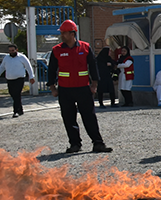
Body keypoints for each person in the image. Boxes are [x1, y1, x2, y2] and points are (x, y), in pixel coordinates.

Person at [46, 20, 112, 153]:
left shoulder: (85, 47)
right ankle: (75, 144)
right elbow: (51, 70)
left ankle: (98, 143)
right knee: (69, 118)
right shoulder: (57, 50)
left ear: (72, 34)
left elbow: (93, 67)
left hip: (83, 88)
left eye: (64, 33)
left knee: (89, 117)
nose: (62, 35)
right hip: (65, 90)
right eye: (61, 33)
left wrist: (94, 85)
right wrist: (53, 88)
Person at [0, 43, 35, 118]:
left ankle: (16, 111)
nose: (11, 52)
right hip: (10, 79)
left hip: (19, 79)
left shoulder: (22, 57)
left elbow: (28, 67)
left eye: (12, 50)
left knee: (17, 94)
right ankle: (20, 110)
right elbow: (2, 67)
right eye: (9, 51)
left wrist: (31, 77)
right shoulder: (6, 58)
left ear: (16, 50)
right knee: (12, 94)